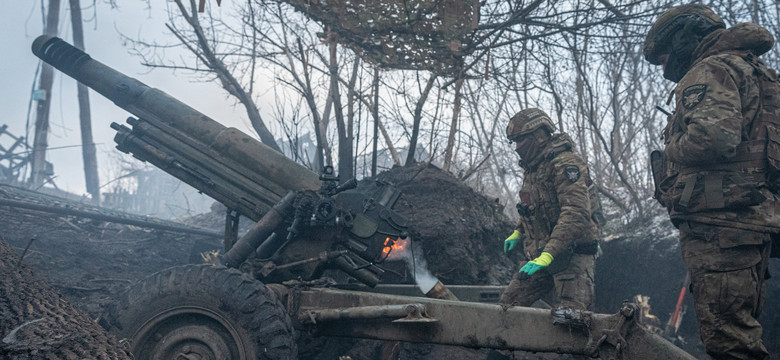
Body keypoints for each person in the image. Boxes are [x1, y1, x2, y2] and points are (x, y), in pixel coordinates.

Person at [644, 4, 780, 359]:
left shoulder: (710, 70)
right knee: (740, 333)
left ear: (684, 37)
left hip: (721, 226)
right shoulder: (758, 73)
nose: (664, 66)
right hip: (751, 222)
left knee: (730, 344)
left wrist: (671, 147)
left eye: (664, 55)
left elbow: (712, 140)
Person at [499, 108, 602, 313]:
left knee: (571, 320)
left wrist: (548, 254)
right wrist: (519, 231)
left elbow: (576, 212)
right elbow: (536, 208)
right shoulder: (534, 169)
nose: (517, 147)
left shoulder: (565, 164)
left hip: (572, 257)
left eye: (521, 140)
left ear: (538, 136)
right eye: (514, 142)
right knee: (508, 308)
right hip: (541, 257)